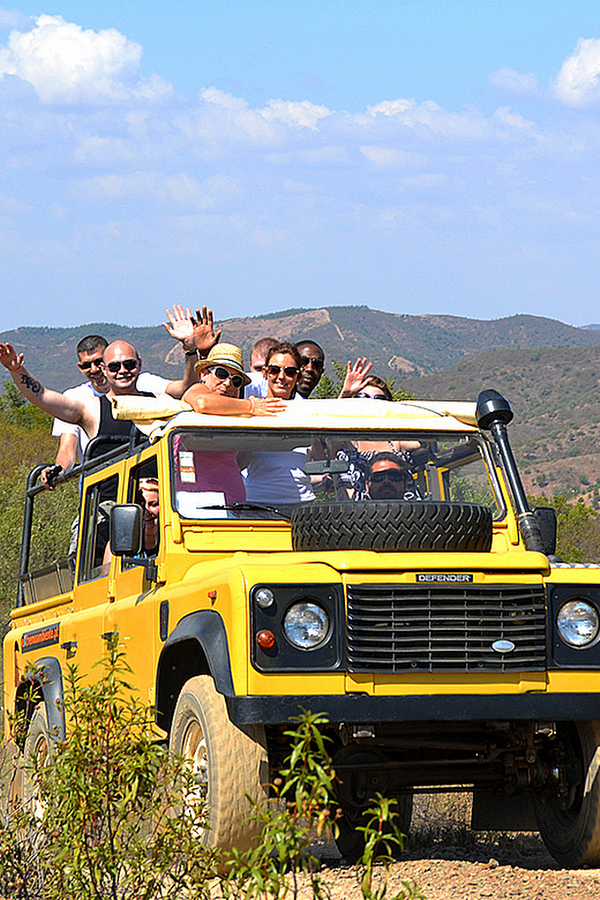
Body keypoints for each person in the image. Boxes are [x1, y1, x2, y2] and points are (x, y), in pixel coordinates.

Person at [44, 306, 220, 484]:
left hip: (152, 488)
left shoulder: (145, 384)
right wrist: (58, 471)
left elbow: (185, 389)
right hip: (102, 487)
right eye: (86, 365)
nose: (94, 370)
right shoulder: (76, 397)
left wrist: (191, 350)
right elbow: (67, 449)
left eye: (98, 362)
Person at [0, 338, 164, 456]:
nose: (122, 371)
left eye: (129, 364)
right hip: (107, 500)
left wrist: (189, 349)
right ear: (106, 368)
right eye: (114, 366)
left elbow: (186, 389)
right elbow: (42, 396)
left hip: (158, 499)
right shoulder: (90, 408)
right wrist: (17, 370)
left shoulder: (159, 398)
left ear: (139, 364)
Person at [177, 343, 286, 510]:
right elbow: (202, 403)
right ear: (204, 374)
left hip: (233, 506)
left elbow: (239, 461)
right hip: (194, 508)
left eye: (236, 380)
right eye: (221, 374)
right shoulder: (197, 390)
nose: (227, 383)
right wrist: (251, 406)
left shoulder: (235, 412)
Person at [241, 342, 315, 505]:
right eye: (275, 370)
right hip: (257, 502)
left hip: (302, 503)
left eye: (289, 372)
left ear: (297, 377)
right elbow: (239, 462)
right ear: (266, 373)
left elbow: (321, 459)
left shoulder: (307, 412)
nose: (281, 376)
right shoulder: (252, 409)